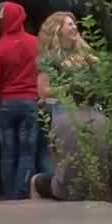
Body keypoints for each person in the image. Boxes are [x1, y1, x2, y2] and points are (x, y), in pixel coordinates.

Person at [0, 1, 40, 199]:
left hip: (6, 105)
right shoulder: (37, 43)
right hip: (31, 104)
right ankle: (22, 194)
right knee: (27, 152)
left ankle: (9, 196)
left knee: (8, 152)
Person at [36, 11, 100, 174]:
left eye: (74, 24)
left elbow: (99, 76)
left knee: (90, 148)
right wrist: (71, 87)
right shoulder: (50, 57)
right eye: (69, 24)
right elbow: (43, 90)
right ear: (59, 29)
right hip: (63, 109)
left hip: (87, 108)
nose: (74, 27)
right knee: (65, 152)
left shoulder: (84, 53)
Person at [29, 107, 112, 201]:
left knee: (35, 180)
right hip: (98, 186)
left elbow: (54, 156)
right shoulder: (106, 121)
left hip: (65, 189)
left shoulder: (59, 120)